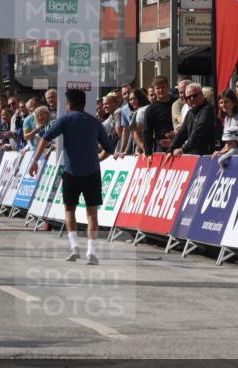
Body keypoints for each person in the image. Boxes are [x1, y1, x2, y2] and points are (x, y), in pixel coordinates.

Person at [28, 89, 116, 265]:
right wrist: (97, 159)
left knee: (70, 210)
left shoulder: (65, 119)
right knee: (92, 212)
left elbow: (45, 139)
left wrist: (35, 160)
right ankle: (91, 252)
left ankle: (74, 247)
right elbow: (110, 149)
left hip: (71, 172)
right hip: (92, 172)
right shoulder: (94, 122)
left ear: (68, 104)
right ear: (83, 103)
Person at [169, 82, 215, 156]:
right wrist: (170, 150)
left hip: (206, 155)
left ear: (202, 94)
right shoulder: (190, 112)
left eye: (195, 96)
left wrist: (182, 149)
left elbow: (199, 131)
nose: (192, 99)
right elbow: (182, 132)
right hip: (192, 154)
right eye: (188, 97)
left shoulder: (208, 109)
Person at [143, 76, 175, 155]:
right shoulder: (151, 109)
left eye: (163, 87)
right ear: (154, 90)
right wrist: (148, 153)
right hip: (162, 145)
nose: (161, 90)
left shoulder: (176, 102)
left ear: (168, 87)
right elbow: (147, 132)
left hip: (179, 142)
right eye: (158, 88)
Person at [214, 88, 238, 158]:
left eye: (226, 102)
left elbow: (237, 140)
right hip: (233, 152)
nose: (223, 105)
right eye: (221, 102)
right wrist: (220, 152)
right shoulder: (226, 118)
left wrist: (223, 152)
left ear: (234, 102)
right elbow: (228, 143)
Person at [124, 87, 150, 155]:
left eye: (135, 98)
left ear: (140, 98)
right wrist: (126, 152)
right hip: (139, 149)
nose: (132, 101)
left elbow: (140, 133)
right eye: (130, 100)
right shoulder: (134, 114)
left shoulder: (146, 110)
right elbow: (132, 134)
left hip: (147, 147)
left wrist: (143, 149)